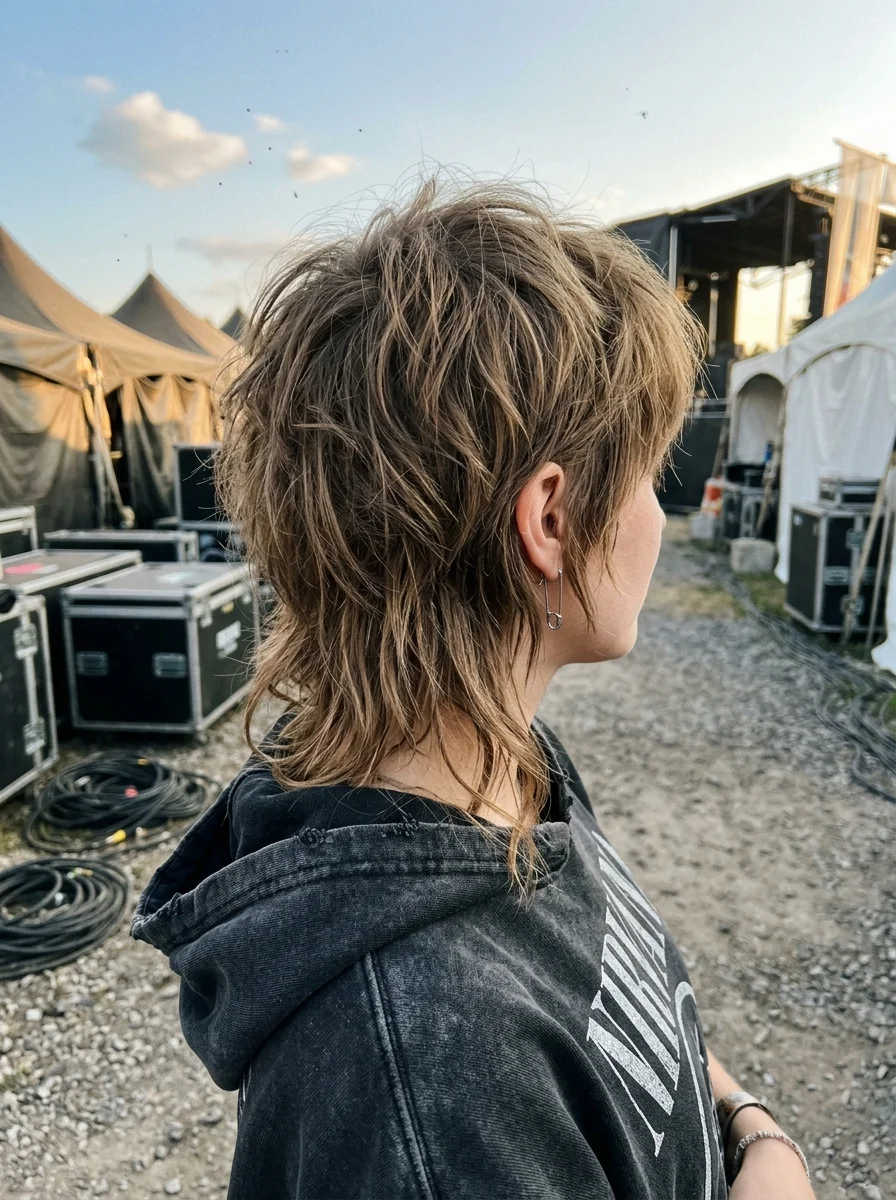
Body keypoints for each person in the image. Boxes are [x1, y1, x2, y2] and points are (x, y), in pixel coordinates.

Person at [133, 180, 815, 1199]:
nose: (657, 518)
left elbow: (618, 1019)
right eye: (645, 473)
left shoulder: (506, 767)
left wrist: (742, 1119)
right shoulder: (423, 1085)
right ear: (549, 518)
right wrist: (777, 1173)